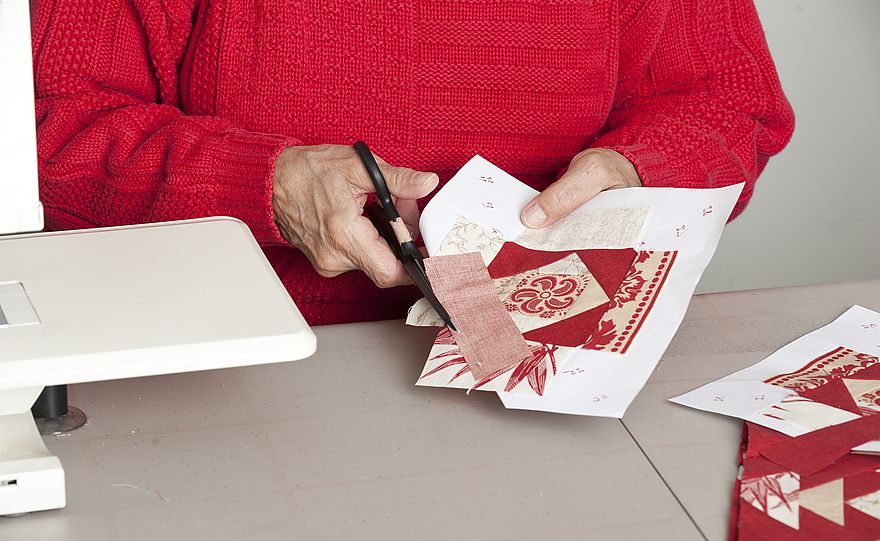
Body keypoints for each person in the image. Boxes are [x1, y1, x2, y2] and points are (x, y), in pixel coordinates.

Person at [32, 0, 793, 326]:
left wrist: (637, 171)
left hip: (550, 349)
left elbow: (731, 101)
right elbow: (47, 126)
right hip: (234, 351)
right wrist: (262, 185)